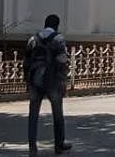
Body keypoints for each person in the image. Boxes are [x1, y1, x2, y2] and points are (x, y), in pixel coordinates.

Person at [25, 13, 72, 154]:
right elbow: (62, 61)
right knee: (57, 113)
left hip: (35, 80)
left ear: (45, 24)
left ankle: (32, 148)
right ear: (57, 25)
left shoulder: (33, 38)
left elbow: (26, 61)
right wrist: (63, 82)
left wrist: (27, 81)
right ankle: (59, 144)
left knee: (33, 114)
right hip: (53, 81)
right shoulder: (58, 38)